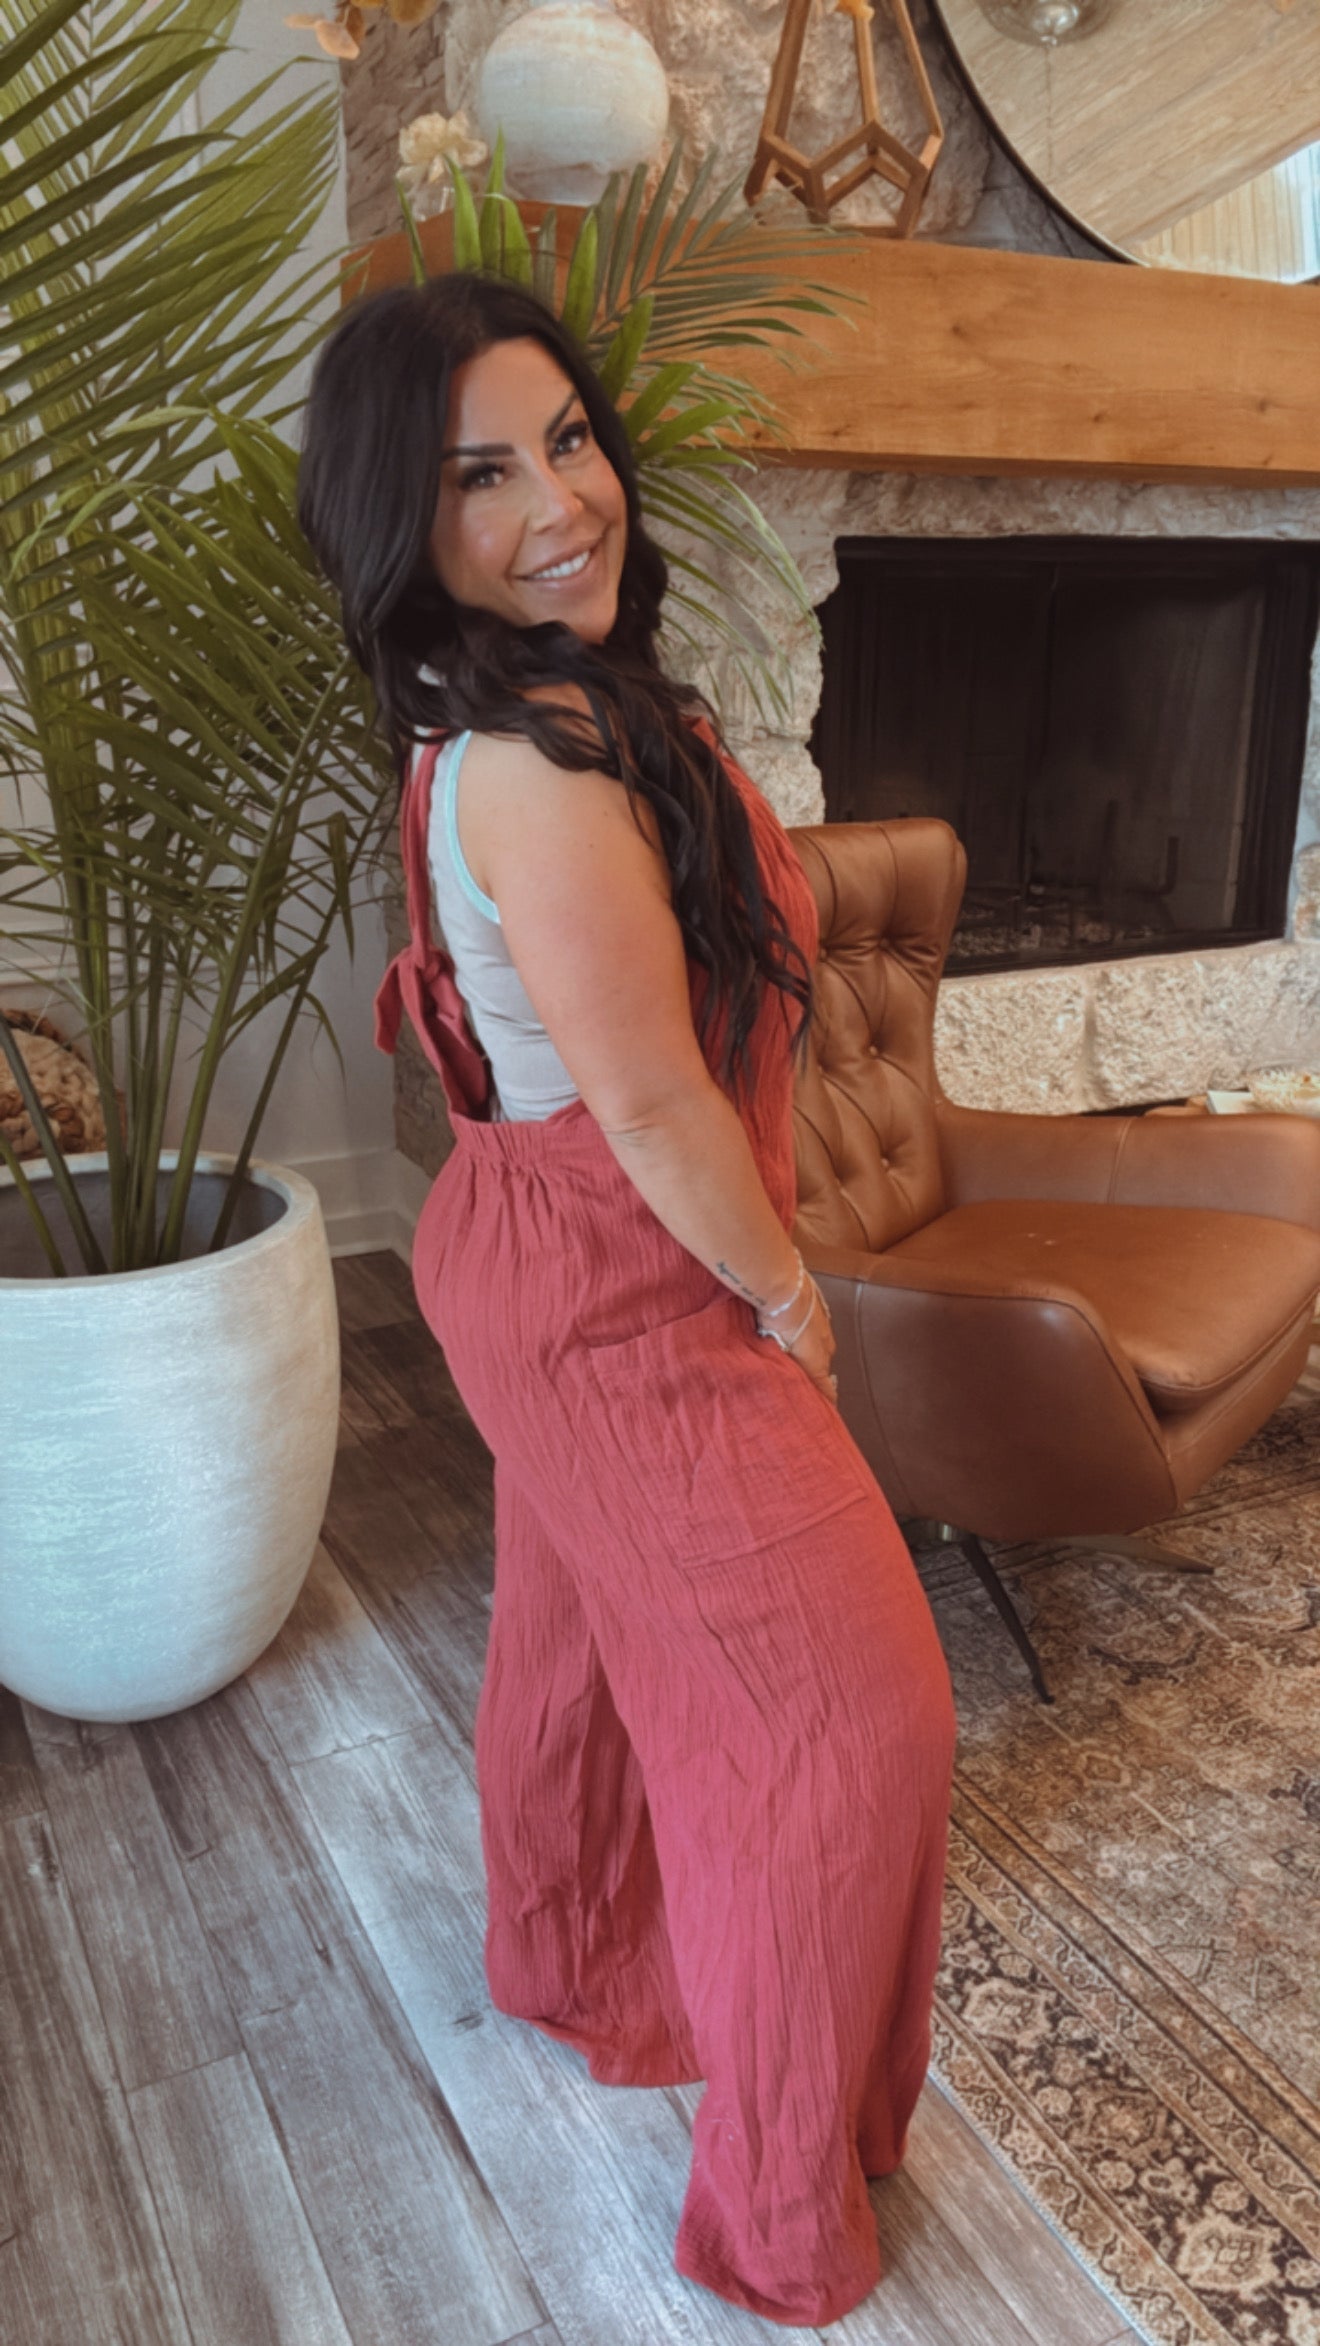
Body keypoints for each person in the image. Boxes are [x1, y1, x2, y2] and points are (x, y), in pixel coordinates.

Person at [298, 271, 956, 2331]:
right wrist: (791, 1298)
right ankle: (779, 2201)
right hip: (628, 1278)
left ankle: (580, 1964)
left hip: (536, 1251)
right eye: (480, 477)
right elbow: (660, 1104)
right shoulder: (532, 767)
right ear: (404, 524)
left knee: (581, 1626)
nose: (558, 502)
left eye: (567, 440)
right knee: (850, 1721)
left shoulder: (512, 719)